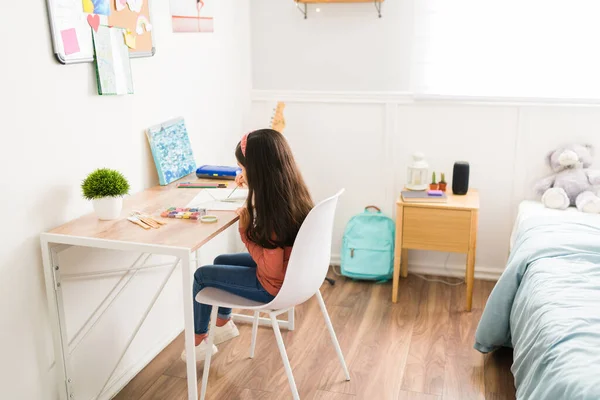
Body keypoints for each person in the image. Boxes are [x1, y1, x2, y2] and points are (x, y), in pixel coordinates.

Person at [182, 128, 314, 362]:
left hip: (273, 286)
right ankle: (223, 324)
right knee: (221, 261)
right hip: (294, 272)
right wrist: (252, 187)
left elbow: (269, 269)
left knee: (201, 276)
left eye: (243, 168)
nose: (241, 173)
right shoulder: (291, 192)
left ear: (257, 171)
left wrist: (245, 232)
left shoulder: (273, 212)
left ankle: (198, 341)